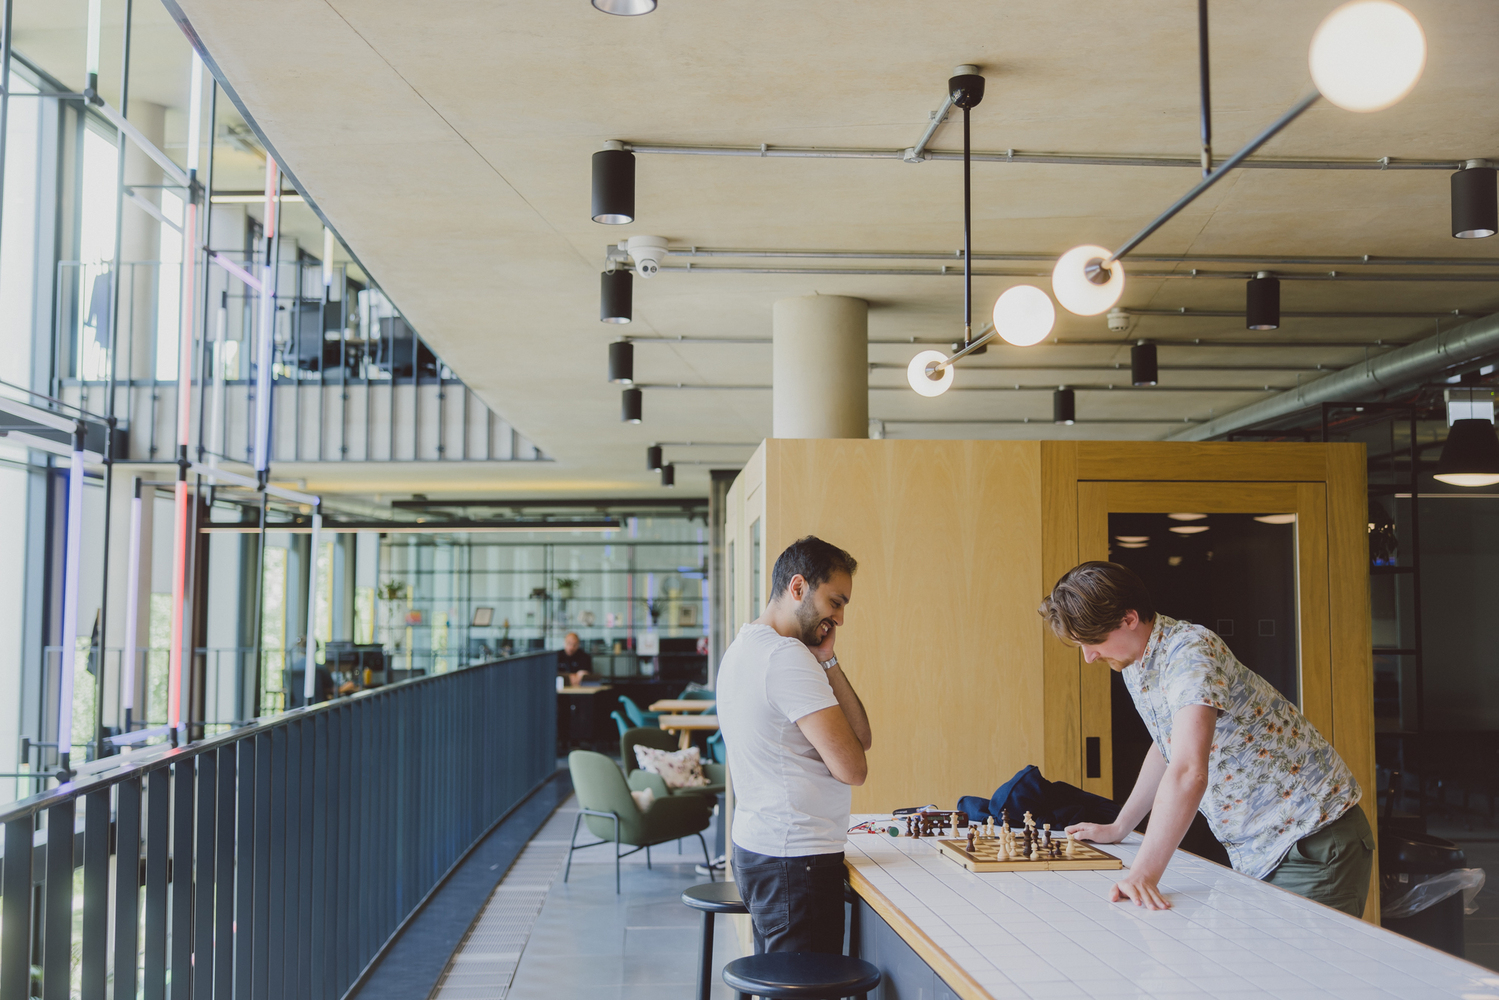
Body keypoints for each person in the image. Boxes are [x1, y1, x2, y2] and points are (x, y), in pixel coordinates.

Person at [1040, 561, 1373, 916]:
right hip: (1267, 847)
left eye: (1093, 642)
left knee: (1304, 971)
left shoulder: (1189, 653)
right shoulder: (1138, 663)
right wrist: (1120, 825)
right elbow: (1168, 746)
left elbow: (1187, 772)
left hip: (1312, 839)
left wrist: (1144, 874)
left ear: (1128, 619)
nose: (1089, 657)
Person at [717, 535, 873, 954]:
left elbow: (863, 739)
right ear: (799, 588)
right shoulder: (785, 657)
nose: (839, 618)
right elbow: (854, 768)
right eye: (835, 602)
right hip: (796, 862)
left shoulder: (743, 647)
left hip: (761, 850)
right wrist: (812, 660)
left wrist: (828, 661)